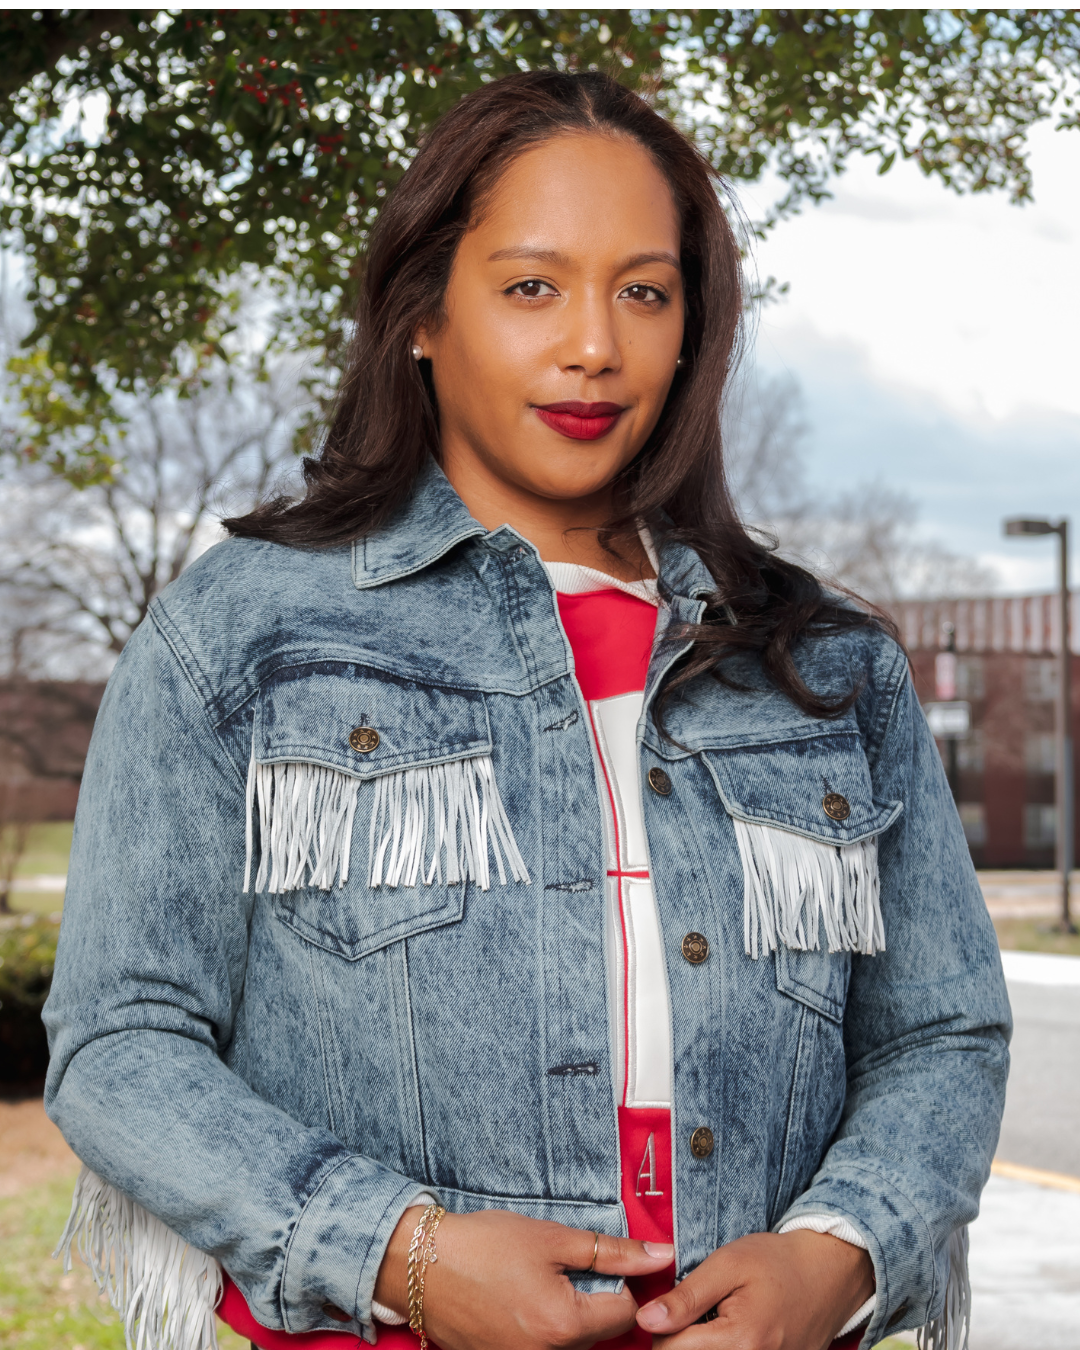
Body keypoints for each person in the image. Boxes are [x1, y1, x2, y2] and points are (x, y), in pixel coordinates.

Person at [44, 70, 1010, 1350]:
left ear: (692, 329)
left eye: (645, 292)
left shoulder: (827, 665)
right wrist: (408, 1255)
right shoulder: (239, 635)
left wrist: (835, 1259)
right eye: (532, 286)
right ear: (424, 315)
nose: (595, 345)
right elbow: (119, 1043)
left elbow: (943, 1029)